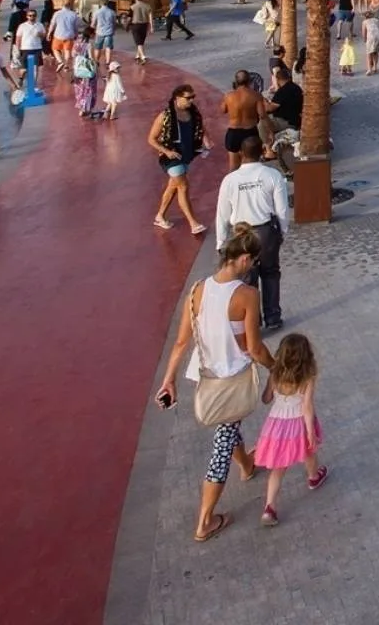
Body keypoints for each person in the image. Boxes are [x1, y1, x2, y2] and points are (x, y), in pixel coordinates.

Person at [153, 224, 277, 542]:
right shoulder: (247, 295)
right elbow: (254, 347)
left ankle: (248, 466)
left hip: (205, 378)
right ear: (244, 258)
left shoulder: (196, 290)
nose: (253, 268)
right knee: (222, 445)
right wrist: (276, 368)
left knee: (228, 427)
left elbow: (181, 342)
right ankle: (204, 521)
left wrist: (169, 381)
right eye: (253, 262)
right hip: (231, 379)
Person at [215, 135, 291, 330]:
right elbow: (282, 209)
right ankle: (273, 317)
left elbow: (222, 214)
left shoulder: (230, 180)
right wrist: (282, 232)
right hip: (266, 232)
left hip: (241, 235)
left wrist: (221, 242)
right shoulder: (272, 175)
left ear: (241, 153)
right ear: (262, 152)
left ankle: (253, 322)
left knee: (248, 279)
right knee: (271, 273)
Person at [252, 333, 328, 527]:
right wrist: (310, 431)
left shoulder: (275, 373)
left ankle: (270, 508)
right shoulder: (307, 377)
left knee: (278, 468)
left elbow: (266, 399)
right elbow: (307, 407)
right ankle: (313, 476)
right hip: (298, 423)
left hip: (276, 425)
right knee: (309, 451)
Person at [149, 84, 209, 234]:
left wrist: (206, 139)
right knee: (183, 187)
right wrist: (166, 151)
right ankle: (193, 223)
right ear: (177, 98)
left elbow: (200, 126)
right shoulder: (165, 116)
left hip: (186, 155)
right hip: (171, 158)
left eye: (193, 97)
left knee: (173, 187)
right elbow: (151, 138)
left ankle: (160, 216)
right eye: (188, 98)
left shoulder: (192, 113)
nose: (191, 100)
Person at [258, 65, 303, 175]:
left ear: (278, 79)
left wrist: (264, 101)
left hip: (285, 121)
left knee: (262, 123)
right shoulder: (296, 88)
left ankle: (269, 151)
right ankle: (270, 143)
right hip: (295, 119)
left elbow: (270, 108)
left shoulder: (283, 91)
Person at [220, 71, 267, 173]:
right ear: (249, 81)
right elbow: (262, 115)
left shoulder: (228, 96)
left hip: (233, 132)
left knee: (233, 166)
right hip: (250, 132)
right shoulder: (256, 96)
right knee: (252, 165)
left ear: (236, 82)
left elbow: (223, 110)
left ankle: (232, 187)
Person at [14, 6, 46, 92]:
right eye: (30, 15)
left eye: (33, 15)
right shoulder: (22, 26)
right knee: (24, 68)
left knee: (35, 68)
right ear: (27, 16)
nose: (32, 17)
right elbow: (18, 38)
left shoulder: (40, 25)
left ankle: (33, 85)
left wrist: (40, 35)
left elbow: (43, 36)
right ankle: (21, 79)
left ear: (36, 16)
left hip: (37, 49)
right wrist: (17, 49)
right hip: (25, 49)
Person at [48, 0, 82, 74]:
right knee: (67, 51)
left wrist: (49, 33)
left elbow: (52, 24)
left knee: (54, 48)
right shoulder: (74, 14)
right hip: (69, 35)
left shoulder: (57, 13)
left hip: (58, 34)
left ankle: (60, 61)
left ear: (62, 5)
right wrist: (76, 34)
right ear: (70, 6)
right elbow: (76, 26)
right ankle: (66, 66)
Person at [91, 0, 117, 68]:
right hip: (109, 32)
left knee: (97, 47)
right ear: (107, 3)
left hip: (99, 32)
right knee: (108, 47)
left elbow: (93, 23)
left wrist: (92, 30)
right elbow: (114, 23)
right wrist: (114, 30)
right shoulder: (112, 12)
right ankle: (107, 62)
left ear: (100, 3)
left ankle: (96, 61)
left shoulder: (97, 12)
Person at [130, 0, 152, 64]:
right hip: (144, 25)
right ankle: (137, 55)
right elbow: (150, 17)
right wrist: (151, 27)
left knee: (138, 42)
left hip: (135, 25)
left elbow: (129, 17)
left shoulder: (132, 7)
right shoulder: (148, 6)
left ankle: (143, 56)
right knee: (141, 41)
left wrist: (126, 25)